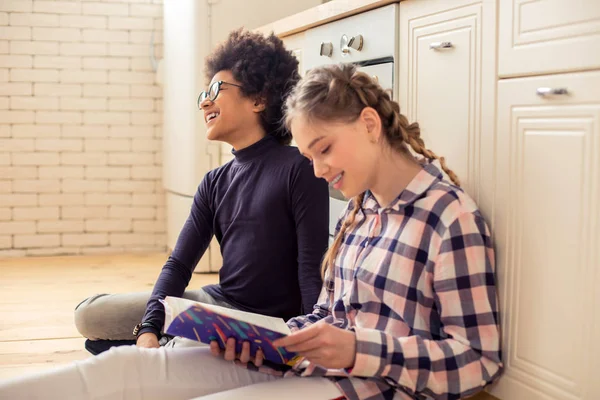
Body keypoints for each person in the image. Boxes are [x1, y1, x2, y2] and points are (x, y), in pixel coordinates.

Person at [0, 63, 502, 400]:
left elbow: (479, 362)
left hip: (364, 386)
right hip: (309, 363)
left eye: (325, 149)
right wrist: (269, 342)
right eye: (310, 156)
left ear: (370, 124)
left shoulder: (447, 218)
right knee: (127, 369)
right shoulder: (361, 209)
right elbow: (326, 313)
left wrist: (356, 349)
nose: (320, 170)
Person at [74, 28, 330, 354]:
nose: (205, 101)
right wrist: (150, 327)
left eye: (216, 89)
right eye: (203, 94)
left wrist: (311, 346)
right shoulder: (214, 182)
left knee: (111, 345)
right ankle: (174, 344)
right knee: (90, 315)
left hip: (267, 324)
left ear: (259, 99)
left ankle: (183, 347)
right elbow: (179, 264)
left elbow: (311, 269)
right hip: (217, 304)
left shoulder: (300, 168)